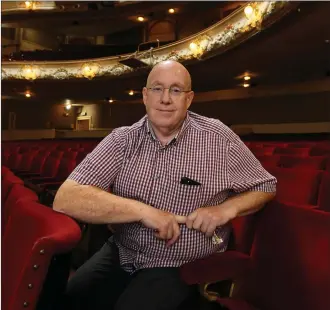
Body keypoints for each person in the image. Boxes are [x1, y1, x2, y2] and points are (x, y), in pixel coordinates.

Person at [53, 60, 276, 310]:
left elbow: (266, 186)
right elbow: (66, 198)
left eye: (176, 90)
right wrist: (144, 212)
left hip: (180, 264)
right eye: (157, 89)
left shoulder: (218, 138)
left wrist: (225, 210)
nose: (165, 99)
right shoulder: (122, 139)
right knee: (70, 299)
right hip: (123, 251)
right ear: (145, 96)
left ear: (189, 99)